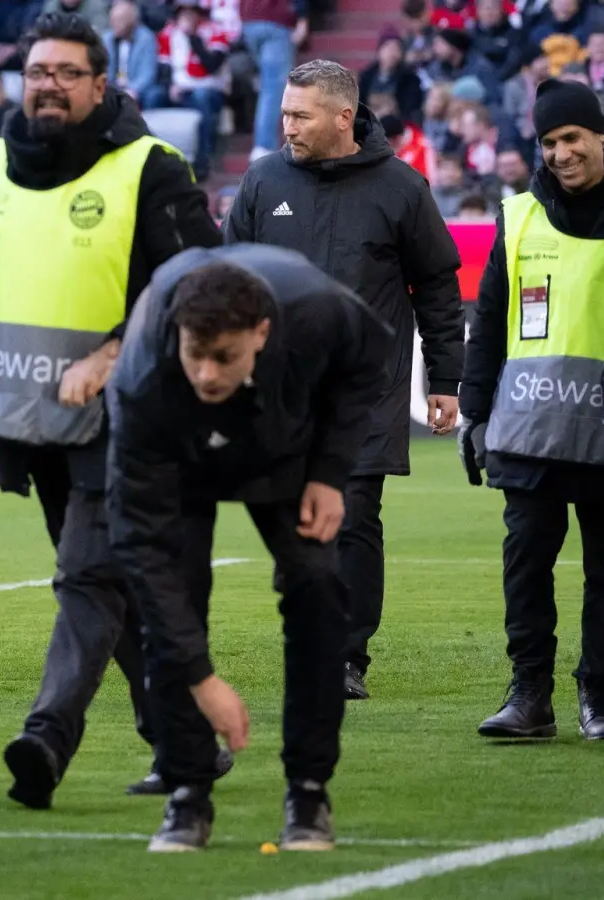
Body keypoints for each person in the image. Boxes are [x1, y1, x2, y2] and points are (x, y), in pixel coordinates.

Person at [0, 11, 226, 808]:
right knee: (117, 591)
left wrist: (114, 352)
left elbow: (202, 286)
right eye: (39, 72)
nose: (50, 86)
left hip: (132, 423)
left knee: (87, 581)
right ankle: (186, 740)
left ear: (100, 85)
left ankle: (45, 740)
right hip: (35, 426)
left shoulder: (150, 168)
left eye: (69, 73)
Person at [106, 244, 393, 852]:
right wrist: (202, 678)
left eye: (224, 357)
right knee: (170, 601)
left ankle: (309, 791)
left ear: (261, 334)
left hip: (283, 445)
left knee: (318, 585)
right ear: (176, 334)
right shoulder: (140, 381)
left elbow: (367, 364)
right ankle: (187, 792)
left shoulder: (319, 312)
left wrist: (330, 472)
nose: (208, 374)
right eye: (196, 354)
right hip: (179, 455)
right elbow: (144, 554)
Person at [222, 59, 465, 701]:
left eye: (300, 116)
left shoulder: (402, 188)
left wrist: (447, 377)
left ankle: (345, 655)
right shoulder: (263, 179)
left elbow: (438, 286)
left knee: (353, 513)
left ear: (343, 118)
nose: (287, 126)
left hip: (366, 391)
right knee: (290, 518)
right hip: (279, 391)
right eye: (285, 113)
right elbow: (228, 276)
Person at [460, 78, 604, 742]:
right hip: (530, 426)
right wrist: (473, 412)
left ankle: (599, 698)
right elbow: (489, 320)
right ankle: (530, 695)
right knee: (525, 563)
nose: (561, 153)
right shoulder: (519, 215)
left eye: (572, 137)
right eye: (549, 142)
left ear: (600, 135)